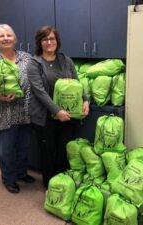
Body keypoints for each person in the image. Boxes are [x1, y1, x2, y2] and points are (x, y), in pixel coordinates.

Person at [27, 25, 90, 188]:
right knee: (48, 153)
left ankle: (63, 186)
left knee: (64, 151)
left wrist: (85, 100)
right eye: (45, 39)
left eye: (52, 38)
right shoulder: (34, 64)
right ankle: (50, 186)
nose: (49, 42)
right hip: (45, 117)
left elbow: (77, 82)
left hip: (67, 116)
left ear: (57, 41)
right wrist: (57, 111)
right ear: (40, 42)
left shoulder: (65, 60)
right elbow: (40, 92)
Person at [0, 24, 35, 194]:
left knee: (23, 146)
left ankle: (21, 173)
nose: (6, 38)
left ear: (14, 38)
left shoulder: (26, 57)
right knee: (7, 149)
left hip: (25, 112)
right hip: (4, 113)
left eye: (9, 35)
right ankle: (9, 179)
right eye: (1, 36)